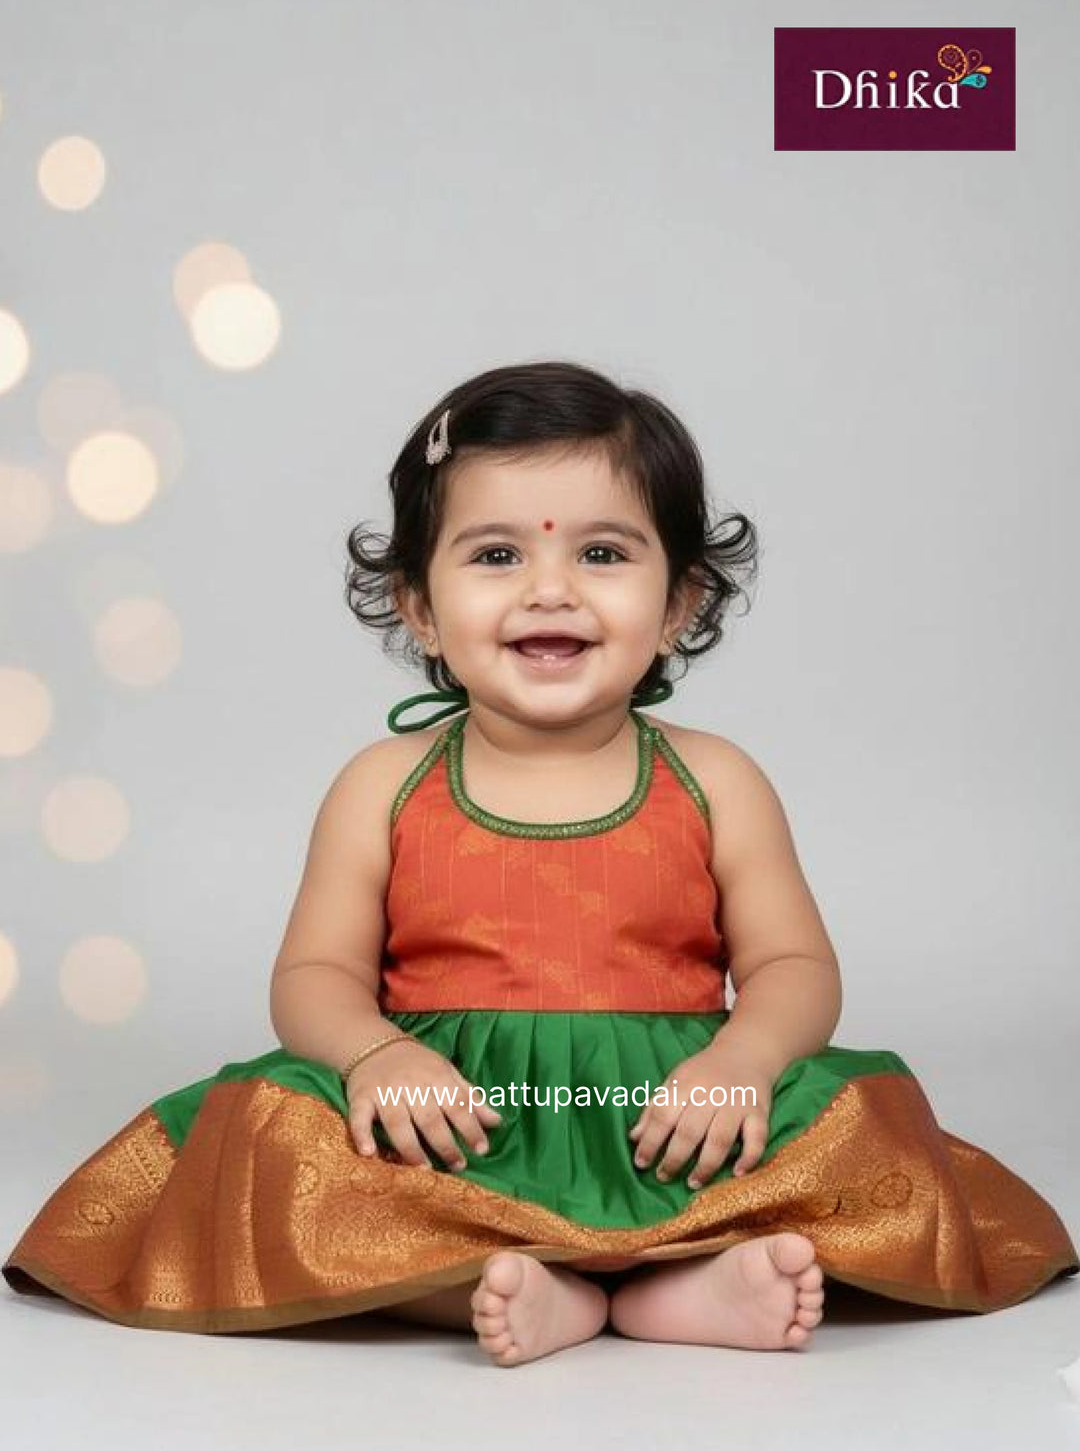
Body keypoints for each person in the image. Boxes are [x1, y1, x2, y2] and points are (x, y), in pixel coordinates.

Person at [4, 360, 1076, 1365]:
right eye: (497, 554)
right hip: (461, 1122)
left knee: (871, 1115)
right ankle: (523, 1280)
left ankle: (676, 1287)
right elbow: (314, 977)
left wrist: (741, 1064)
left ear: (681, 605)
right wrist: (377, 1058)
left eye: (602, 554)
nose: (550, 590)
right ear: (418, 605)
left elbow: (797, 966)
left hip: (676, 1123)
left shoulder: (717, 780)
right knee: (271, 1135)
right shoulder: (385, 784)